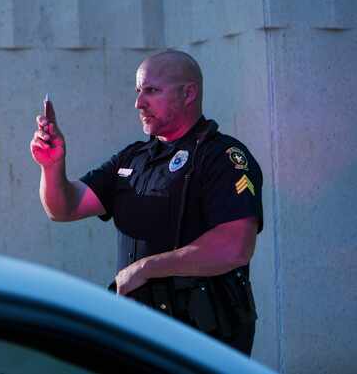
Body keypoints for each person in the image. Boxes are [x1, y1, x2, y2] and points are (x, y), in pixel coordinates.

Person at [30, 50, 262, 354]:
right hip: (140, 334)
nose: (139, 103)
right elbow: (64, 208)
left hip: (202, 339)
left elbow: (235, 247)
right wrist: (51, 166)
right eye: (139, 91)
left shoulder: (223, 157)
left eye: (151, 91)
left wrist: (146, 268)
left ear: (188, 93)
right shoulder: (134, 158)